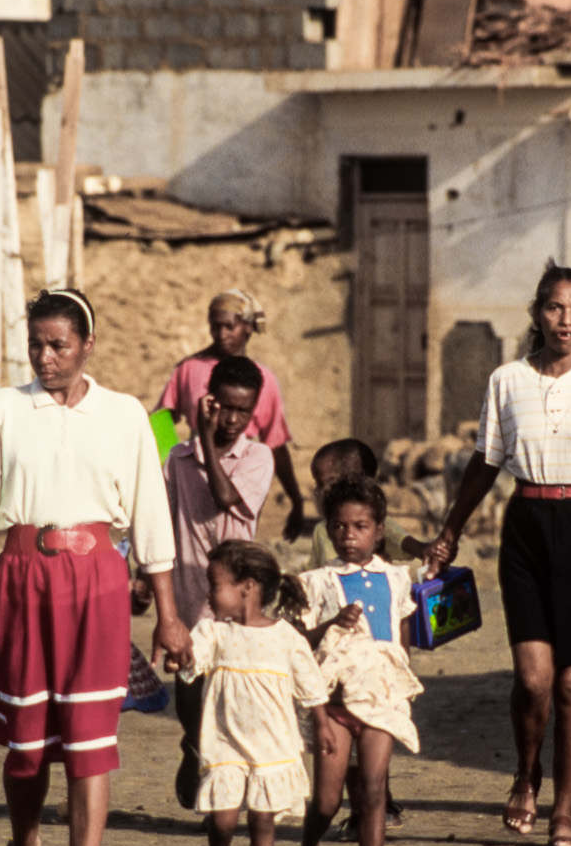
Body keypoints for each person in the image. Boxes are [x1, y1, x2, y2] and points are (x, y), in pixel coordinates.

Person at [0, 287, 192, 846]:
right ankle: (24, 844)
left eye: (58, 344)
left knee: (90, 744)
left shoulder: (124, 414)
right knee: (27, 748)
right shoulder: (2, 410)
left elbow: (151, 517)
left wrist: (167, 615)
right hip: (21, 580)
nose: (45, 356)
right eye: (36, 344)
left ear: (87, 345)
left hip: (99, 587)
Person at [422, 264, 571, 846]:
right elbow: (487, 461)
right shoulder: (507, 379)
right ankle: (526, 774)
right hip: (526, 526)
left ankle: (566, 810)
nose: (566, 321)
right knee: (533, 681)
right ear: (538, 312)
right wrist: (450, 529)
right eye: (557, 308)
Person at [283, 477, 422, 846]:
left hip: (381, 700)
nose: (349, 536)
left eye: (359, 526)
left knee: (374, 790)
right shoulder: (317, 582)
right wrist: (331, 625)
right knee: (326, 801)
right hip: (338, 701)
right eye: (340, 527)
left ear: (379, 530)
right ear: (328, 529)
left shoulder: (398, 578)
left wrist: (403, 682)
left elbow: (401, 636)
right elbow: (300, 640)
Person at [181, 540, 334, 846]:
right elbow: (188, 665)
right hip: (225, 742)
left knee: (263, 821)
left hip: (272, 744)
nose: (208, 593)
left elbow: (311, 684)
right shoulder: (212, 633)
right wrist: (174, 655)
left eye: (215, 584)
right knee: (223, 819)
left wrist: (322, 723)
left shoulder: (285, 637)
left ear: (247, 587)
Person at [163, 355, 276, 810]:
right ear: (207, 400)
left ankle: (227, 788)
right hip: (189, 597)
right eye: (223, 407)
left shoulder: (258, 457)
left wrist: (207, 439)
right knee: (191, 695)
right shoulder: (177, 458)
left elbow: (225, 497)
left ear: (254, 413)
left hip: (238, 604)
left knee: (234, 694)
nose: (231, 419)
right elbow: (163, 522)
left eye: (242, 412)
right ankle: (194, 749)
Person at [156, 289, 306, 541]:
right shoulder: (189, 369)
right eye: (215, 327)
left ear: (248, 328)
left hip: (240, 471)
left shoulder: (263, 379)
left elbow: (276, 443)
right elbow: (161, 421)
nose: (221, 334)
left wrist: (296, 500)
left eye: (229, 326)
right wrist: (173, 465)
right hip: (193, 468)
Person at [304, 438, 426, 569]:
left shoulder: (372, 524)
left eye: (321, 484)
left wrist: (429, 550)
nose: (316, 492)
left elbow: (410, 546)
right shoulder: (321, 530)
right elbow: (312, 571)